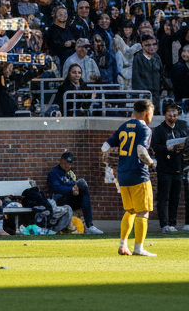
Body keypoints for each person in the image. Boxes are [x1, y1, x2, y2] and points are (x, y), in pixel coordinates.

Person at [102, 100, 158, 256]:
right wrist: (152, 162)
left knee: (130, 210)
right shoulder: (145, 128)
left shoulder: (123, 126)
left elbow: (105, 147)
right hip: (138, 174)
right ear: (147, 112)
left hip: (123, 174)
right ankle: (139, 248)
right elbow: (141, 151)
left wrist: (111, 164)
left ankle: (123, 244)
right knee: (143, 212)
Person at [150, 100, 189, 234]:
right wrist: (168, 148)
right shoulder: (159, 130)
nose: (172, 114)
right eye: (170, 111)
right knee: (163, 197)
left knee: (175, 197)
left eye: (174, 111)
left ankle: (172, 223)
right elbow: (155, 147)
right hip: (164, 169)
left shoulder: (180, 129)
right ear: (165, 114)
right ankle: (164, 224)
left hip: (178, 168)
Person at [46, 151, 103, 234]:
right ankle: (89, 226)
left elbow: (74, 186)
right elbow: (56, 188)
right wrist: (71, 190)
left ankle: (90, 226)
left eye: (71, 163)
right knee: (81, 183)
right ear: (62, 160)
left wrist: (76, 190)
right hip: (60, 199)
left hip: (71, 198)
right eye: (67, 162)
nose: (69, 165)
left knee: (82, 184)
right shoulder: (53, 173)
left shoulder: (70, 173)